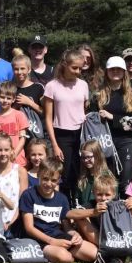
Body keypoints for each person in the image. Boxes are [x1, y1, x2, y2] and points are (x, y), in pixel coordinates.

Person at [18, 158, 97, 263]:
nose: (49, 183)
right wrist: (51, 241)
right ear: (39, 174)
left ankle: (62, 252)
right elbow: (29, 228)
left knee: (93, 253)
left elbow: (66, 226)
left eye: (53, 180)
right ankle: (51, 254)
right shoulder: (28, 195)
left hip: (58, 236)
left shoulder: (62, 199)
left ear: (59, 179)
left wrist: (75, 234)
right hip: (37, 240)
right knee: (65, 258)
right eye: (45, 179)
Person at [43, 49, 89, 200]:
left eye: (80, 68)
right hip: (62, 134)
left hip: (81, 134)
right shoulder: (52, 86)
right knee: (65, 174)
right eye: (74, 68)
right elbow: (48, 118)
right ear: (64, 65)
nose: (78, 71)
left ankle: (79, 204)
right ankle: (64, 208)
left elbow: (83, 110)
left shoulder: (83, 85)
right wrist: (55, 144)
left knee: (80, 172)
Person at [94, 56, 132, 196]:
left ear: (124, 72)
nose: (115, 72)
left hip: (125, 143)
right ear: (107, 71)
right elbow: (91, 121)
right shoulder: (98, 95)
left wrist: (112, 118)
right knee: (107, 184)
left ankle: (126, 215)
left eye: (118, 69)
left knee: (125, 183)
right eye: (112, 69)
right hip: (104, 143)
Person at [69, 140, 115, 240]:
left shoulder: (107, 177)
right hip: (85, 216)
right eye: (83, 157)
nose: (86, 160)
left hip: (101, 218)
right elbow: (76, 202)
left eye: (89, 157)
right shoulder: (82, 178)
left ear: (98, 155)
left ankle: (102, 246)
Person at [0, 81, 29, 165]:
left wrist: (15, 153)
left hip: (16, 159)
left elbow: (23, 137)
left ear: (13, 99)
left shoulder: (19, 115)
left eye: (8, 98)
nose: (5, 100)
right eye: (2, 97)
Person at [0, 134, 25, 234]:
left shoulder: (20, 171)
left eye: (6, 149)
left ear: (11, 150)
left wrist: (10, 222)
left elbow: (22, 200)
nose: (3, 153)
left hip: (14, 223)